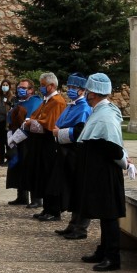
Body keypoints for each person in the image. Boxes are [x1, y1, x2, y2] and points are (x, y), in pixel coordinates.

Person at [71, 73, 135, 272]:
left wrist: (125, 161)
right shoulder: (100, 111)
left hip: (106, 172)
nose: (87, 95)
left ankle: (112, 256)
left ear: (94, 93)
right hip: (98, 171)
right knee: (103, 212)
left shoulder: (105, 115)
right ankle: (103, 249)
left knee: (109, 215)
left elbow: (112, 147)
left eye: (89, 91)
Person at [38, 73, 90, 224]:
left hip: (72, 151)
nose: (70, 90)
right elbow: (59, 122)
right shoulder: (71, 105)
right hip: (61, 148)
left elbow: (80, 131)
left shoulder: (84, 108)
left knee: (70, 186)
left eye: (74, 88)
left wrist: (58, 132)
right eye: (69, 87)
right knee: (56, 182)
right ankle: (62, 216)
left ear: (82, 90)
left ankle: (71, 220)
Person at [19, 72, 66, 212]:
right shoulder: (47, 100)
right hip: (40, 143)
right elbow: (36, 116)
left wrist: (32, 122)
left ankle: (53, 210)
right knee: (42, 175)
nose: (41, 88)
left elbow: (48, 123)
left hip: (49, 142)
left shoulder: (57, 101)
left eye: (43, 85)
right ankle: (47, 208)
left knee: (49, 176)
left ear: (51, 86)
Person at [5, 78, 43, 205]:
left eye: (23, 88)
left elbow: (29, 121)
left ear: (31, 90)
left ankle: (36, 198)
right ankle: (21, 196)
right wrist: (11, 137)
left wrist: (15, 137)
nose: (20, 90)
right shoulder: (18, 102)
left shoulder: (35, 102)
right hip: (17, 139)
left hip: (30, 140)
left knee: (30, 168)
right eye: (19, 87)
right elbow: (11, 119)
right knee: (18, 167)